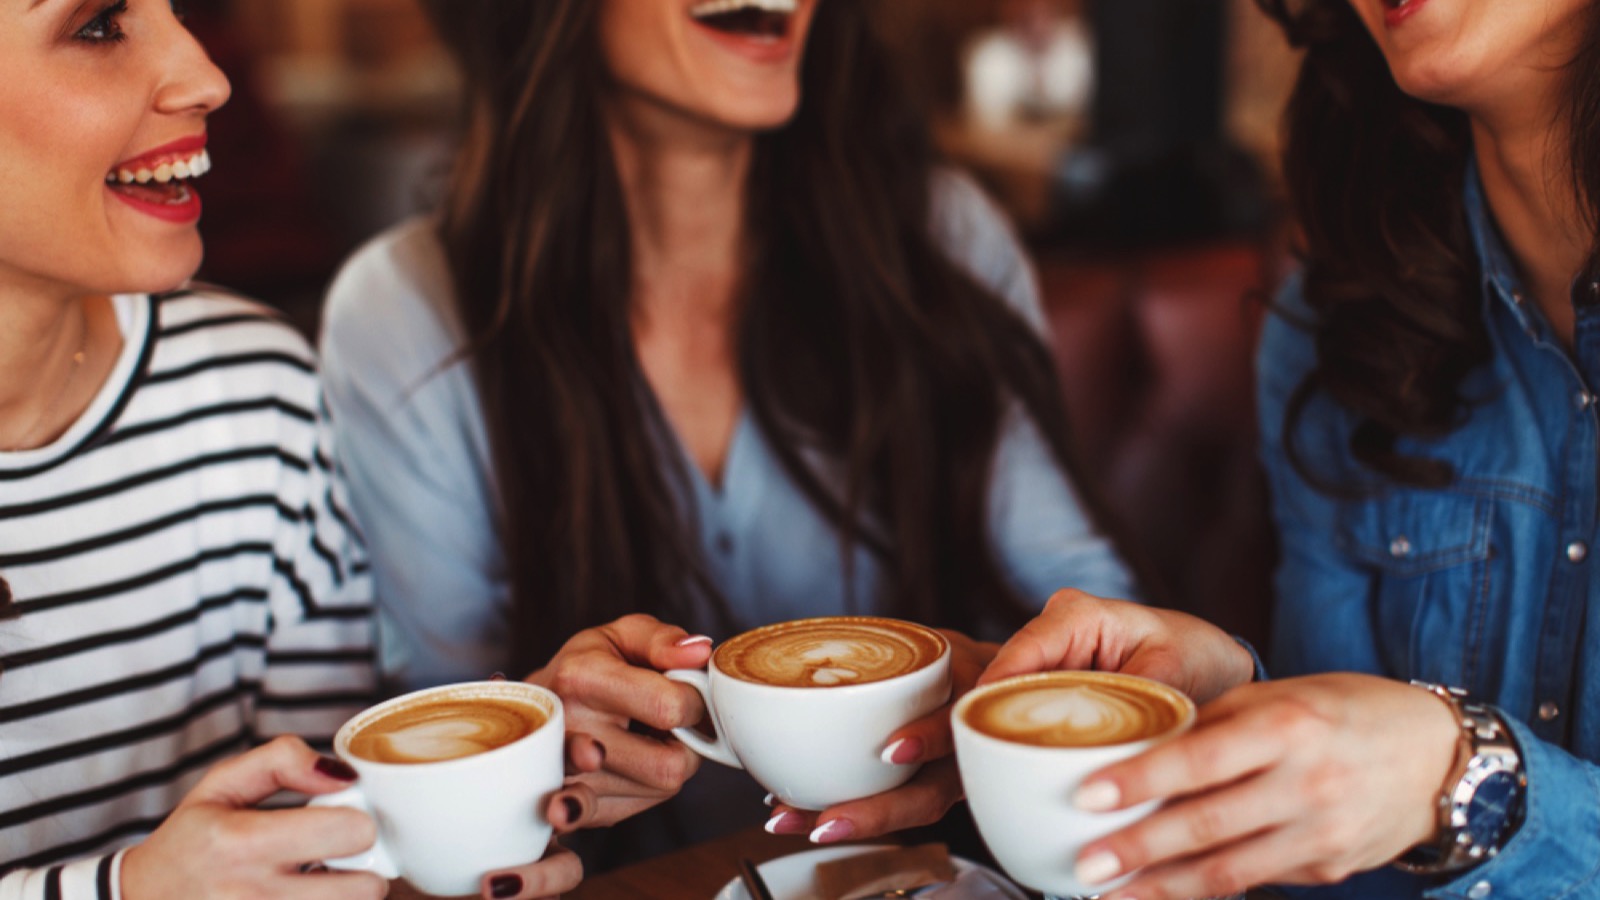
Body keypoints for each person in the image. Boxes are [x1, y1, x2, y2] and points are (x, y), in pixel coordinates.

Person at [320, 0, 1135, 865]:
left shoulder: (939, 240)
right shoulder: (404, 312)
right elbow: (432, 734)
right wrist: (540, 722)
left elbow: (1093, 614)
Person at [978, 0, 1600, 897]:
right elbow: (1340, 840)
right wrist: (1233, 695)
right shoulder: (1338, 319)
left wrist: (1468, 784)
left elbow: (1419, 777)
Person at [0, 3, 592, 898]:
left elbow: (317, 832)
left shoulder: (252, 391)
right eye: (98, 24)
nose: (209, 77)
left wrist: (513, 761)